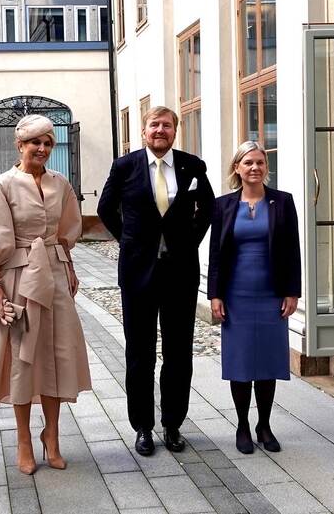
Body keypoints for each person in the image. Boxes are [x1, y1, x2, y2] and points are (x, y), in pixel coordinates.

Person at [0, 114, 91, 475]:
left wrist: (70, 268)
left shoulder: (62, 185)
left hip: (55, 276)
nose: (42, 149)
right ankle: (24, 439)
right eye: (35, 142)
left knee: (58, 356)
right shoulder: (4, 185)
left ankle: (52, 435)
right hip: (18, 277)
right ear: (20, 145)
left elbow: (67, 232)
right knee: (23, 359)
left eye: (48, 143)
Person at [97, 106, 214, 456]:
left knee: (179, 353)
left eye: (166, 125)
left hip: (180, 273)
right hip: (138, 273)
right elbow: (105, 209)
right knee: (140, 352)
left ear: (175, 131)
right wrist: (130, 241)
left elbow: (207, 208)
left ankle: (173, 424)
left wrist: (189, 241)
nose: (160, 130)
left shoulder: (191, 165)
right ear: (144, 131)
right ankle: (143, 427)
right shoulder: (125, 166)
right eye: (154, 125)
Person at [207, 141, 300, 455]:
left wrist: (292, 291)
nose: (255, 168)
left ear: (266, 167)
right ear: (237, 168)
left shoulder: (282, 202)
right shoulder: (223, 206)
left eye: (260, 162)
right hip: (237, 294)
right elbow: (216, 254)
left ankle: (264, 425)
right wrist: (215, 295)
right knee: (241, 361)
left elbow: (292, 250)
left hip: (272, 293)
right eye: (248, 163)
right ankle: (243, 426)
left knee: (268, 362)